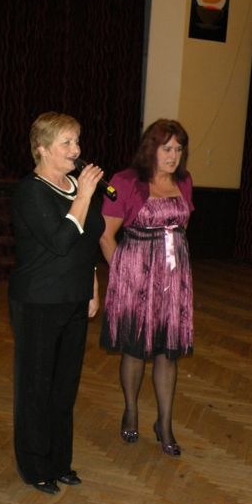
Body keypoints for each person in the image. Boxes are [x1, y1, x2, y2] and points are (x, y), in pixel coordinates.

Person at [8, 112, 105, 494]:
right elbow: (62, 240)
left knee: (65, 386)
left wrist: (92, 283)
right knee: (36, 386)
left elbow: (88, 239)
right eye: (66, 142)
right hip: (39, 300)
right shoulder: (30, 191)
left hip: (75, 295)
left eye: (77, 141)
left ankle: (60, 462)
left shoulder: (76, 186)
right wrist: (83, 196)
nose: (76, 150)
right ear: (43, 148)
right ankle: (35, 467)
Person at [99, 118, 194, 456]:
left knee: (168, 351)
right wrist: (125, 275)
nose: (173, 155)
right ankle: (131, 410)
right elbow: (106, 236)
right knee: (135, 349)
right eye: (166, 148)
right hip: (135, 277)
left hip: (173, 279)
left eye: (178, 149)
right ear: (151, 148)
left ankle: (164, 424)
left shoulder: (184, 181)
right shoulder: (125, 181)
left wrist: (173, 274)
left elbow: (180, 230)